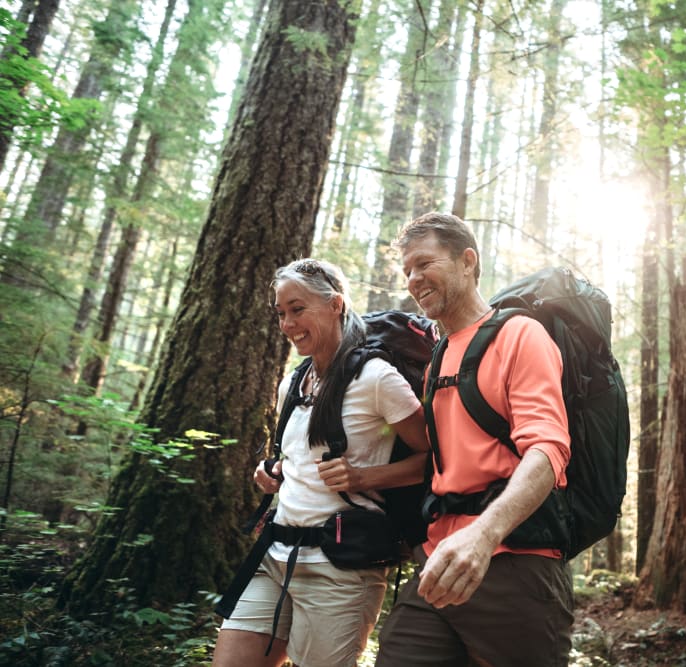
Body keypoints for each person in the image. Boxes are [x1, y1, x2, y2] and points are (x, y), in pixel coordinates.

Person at [375, 213, 574, 666]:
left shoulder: (520, 334)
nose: (413, 279)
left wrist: (483, 535)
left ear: (468, 261)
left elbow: (548, 448)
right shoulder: (437, 358)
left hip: (516, 560)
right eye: (406, 270)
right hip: (439, 560)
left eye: (425, 263)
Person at [213, 258, 430, 667]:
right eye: (280, 313)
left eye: (297, 309)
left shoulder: (377, 378)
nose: (287, 324)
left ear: (335, 305)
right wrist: (274, 470)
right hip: (274, 556)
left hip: (342, 569)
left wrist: (365, 476)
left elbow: (435, 459)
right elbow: (297, 456)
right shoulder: (293, 382)